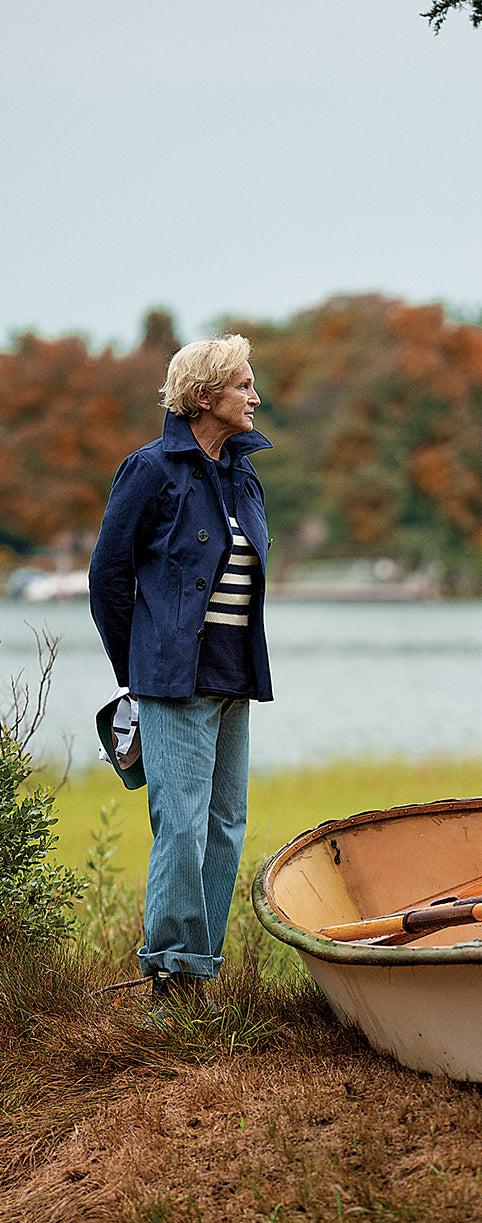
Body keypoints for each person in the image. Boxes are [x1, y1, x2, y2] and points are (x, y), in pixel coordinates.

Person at [89, 334, 272, 1013]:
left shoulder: (244, 472)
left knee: (226, 825)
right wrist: (133, 667)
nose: (256, 397)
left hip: (233, 678)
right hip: (171, 679)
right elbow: (107, 576)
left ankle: (203, 973)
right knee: (183, 827)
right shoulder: (150, 469)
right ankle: (170, 979)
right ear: (204, 397)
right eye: (243, 386)